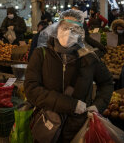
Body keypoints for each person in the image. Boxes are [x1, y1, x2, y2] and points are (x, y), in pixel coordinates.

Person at [24, 9, 113, 142]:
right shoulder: (41, 55)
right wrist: (70, 105)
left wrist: (97, 105)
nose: (68, 32)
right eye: (65, 27)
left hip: (78, 129)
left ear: (81, 33)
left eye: (75, 29)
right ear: (57, 28)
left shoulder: (89, 58)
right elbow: (31, 89)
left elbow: (106, 83)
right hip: (48, 125)